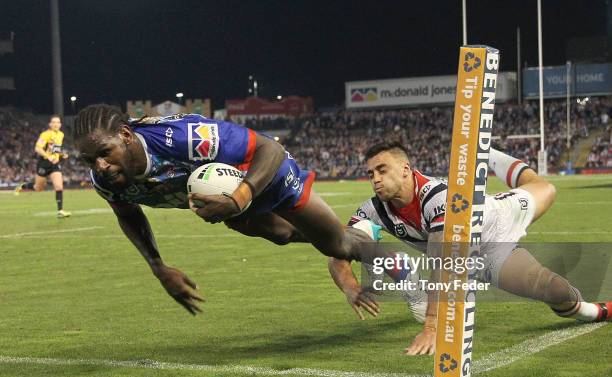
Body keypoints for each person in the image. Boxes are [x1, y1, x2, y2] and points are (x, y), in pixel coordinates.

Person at [73, 104, 382, 315]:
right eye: (89, 160)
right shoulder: (107, 181)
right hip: (226, 196)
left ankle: (400, 261)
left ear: (125, 136)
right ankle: (343, 235)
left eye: (104, 153)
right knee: (282, 234)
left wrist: (238, 199)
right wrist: (158, 266)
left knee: (339, 244)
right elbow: (128, 214)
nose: (99, 166)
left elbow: (269, 149)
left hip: (264, 172)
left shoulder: (184, 138)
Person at [327, 141, 612, 356]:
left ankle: (487, 153)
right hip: (487, 257)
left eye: (381, 169)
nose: (375, 178)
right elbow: (340, 248)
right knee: (556, 291)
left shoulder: (437, 198)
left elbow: (444, 262)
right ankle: (595, 312)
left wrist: (432, 327)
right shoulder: (372, 210)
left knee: (545, 188)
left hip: (498, 219)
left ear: (405, 170)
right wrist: (350, 287)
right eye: (370, 173)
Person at [15, 115, 71, 218]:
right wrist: (47, 157)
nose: (56, 124)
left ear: (60, 124)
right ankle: (22, 186)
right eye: (53, 122)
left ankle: (60, 210)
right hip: (44, 164)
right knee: (38, 188)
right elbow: (38, 148)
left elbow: (55, 149)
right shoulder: (45, 134)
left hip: (54, 163)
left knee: (59, 186)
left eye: (58, 122)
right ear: (50, 124)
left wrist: (62, 155)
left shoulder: (61, 135)